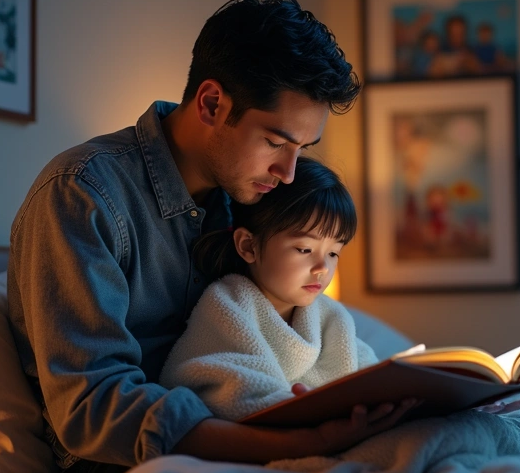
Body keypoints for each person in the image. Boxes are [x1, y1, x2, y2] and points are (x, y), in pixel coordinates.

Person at [8, 0, 417, 473]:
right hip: (119, 465)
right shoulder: (83, 194)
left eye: (301, 151)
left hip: (255, 424)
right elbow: (95, 406)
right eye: (275, 142)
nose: (288, 174)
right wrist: (297, 445)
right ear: (211, 104)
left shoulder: (251, 201)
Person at [160, 157, 379, 420]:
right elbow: (225, 386)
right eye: (304, 249)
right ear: (248, 246)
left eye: (334, 253)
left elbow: (370, 375)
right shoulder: (227, 307)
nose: (322, 267)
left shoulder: (331, 319)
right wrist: (302, 411)